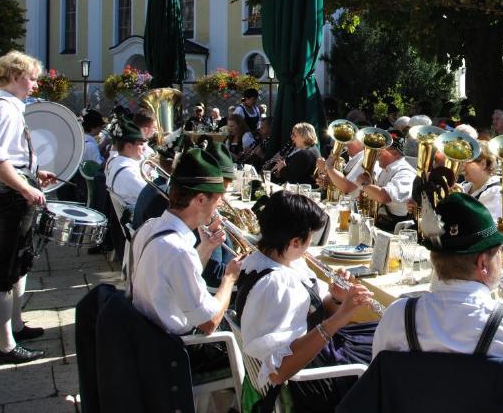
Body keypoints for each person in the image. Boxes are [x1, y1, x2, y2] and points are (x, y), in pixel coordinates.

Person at [371, 193, 503, 413]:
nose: (501, 256)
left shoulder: (397, 316)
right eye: (499, 251)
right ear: (483, 263)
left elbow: (383, 386)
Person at [238, 192, 375, 412]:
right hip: (303, 384)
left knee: (381, 334)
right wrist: (340, 319)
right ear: (294, 241)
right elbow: (279, 370)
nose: (309, 245)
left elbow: (312, 312)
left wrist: (339, 299)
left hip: (312, 353)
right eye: (309, 237)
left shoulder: (263, 261)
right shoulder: (276, 284)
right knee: (388, 358)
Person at [0, 51, 57, 364]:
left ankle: (15, 326)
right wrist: (25, 187)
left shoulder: (7, 106)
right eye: (32, 77)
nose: (35, 84)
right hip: (9, 198)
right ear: (13, 75)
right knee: (5, 270)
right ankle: (3, 346)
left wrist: (33, 173)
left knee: (18, 265)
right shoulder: (4, 110)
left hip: (12, 194)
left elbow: (8, 157)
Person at [129, 148, 242, 336]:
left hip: (146, 334)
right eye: (218, 198)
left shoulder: (149, 227)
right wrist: (230, 279)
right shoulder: (179, 250)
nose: (220, 204)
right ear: (200, 199)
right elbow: (210, 322)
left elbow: (175, 277)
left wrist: (205, 248)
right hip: (175, 347)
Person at [105, 117, 150, 213]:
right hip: (144, 221)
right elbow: (155, 198)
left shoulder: (117, 162)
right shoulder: (129, 173)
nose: (144, 149)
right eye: (141, 144)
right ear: (128, 146)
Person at [267, 122, 320, 187]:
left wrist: (282, 168)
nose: (291, 137)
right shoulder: (313, 148)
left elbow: (293, 180)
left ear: (304, 136)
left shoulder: (305, 154)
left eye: (294, 135)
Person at [461, 143, 502, 221]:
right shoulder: (464, 186)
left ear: (483, 164)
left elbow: (485, 226)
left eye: (467, 161)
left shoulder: (495, 192)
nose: (462, 165)